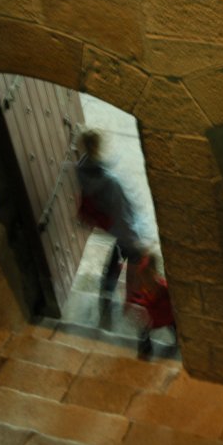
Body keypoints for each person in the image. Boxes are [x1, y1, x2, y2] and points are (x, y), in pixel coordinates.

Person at [75, 128, 146, 319]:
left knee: (114, 263)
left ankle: (105, 304)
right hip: (123, 230)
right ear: (98, 145)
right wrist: (133, 239)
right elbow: (122, 212)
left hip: (111, 226)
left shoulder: (82, 169)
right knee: (134, 266)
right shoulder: (110, 181)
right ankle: (133, 307)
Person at [126, 250, 176, 358]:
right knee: (173, 325)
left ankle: (145, 352)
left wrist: (131, 301)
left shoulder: (146, 284)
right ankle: (179, 340)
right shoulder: (161, 285)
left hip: (152, 316)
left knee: (143, 332)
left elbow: (137, 294)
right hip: (165, 314)